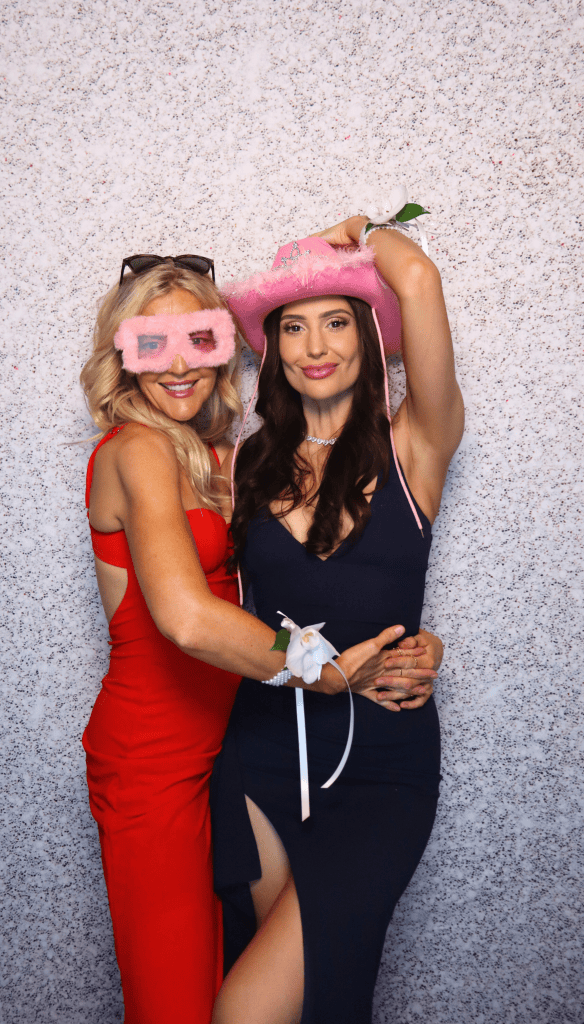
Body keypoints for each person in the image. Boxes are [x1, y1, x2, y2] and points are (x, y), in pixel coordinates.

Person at [79, 253, 442, 1024]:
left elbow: (313, 590)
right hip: (180, 755)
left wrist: (418, 642)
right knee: (188, 1004)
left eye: (199, 339)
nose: (178, 363)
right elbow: (187, 616)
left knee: (264, 995)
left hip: (235, 746)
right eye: (153, 341)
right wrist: (323, 673)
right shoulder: (156, 452)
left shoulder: (219, 459)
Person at [210, 216, 464, 1024]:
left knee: (250, 1010)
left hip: (380, 764)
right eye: (292, 325)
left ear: (369, 337)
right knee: (322, 1000)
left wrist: (358, 230)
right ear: (272, 347)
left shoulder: (414, 447)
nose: (314, 344)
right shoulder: (235, 463)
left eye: (335, 320)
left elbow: (417, 279)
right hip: (257, 760)